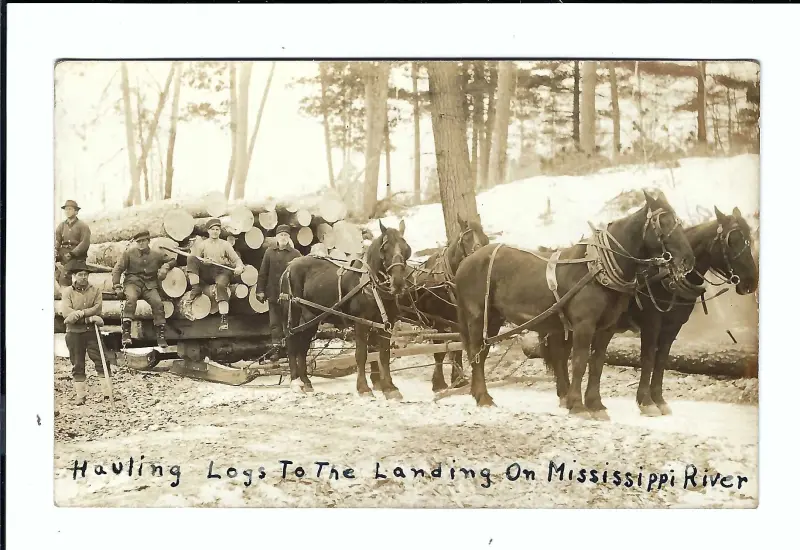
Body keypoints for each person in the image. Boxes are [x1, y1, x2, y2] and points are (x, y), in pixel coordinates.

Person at [111, 230, 177, 347]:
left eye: (143, 241)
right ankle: (126, 334)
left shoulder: (156, 254)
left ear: (148, 241)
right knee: (131, 299)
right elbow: (118, 269)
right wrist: (116, 286)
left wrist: (165, 267)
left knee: (158, 303)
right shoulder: (128, 253)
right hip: (133, 283)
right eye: (139, 242)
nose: (141, 244)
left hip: (149, 285)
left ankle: (160, 336)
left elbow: (172, 260)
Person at [61, 260, 113, 405]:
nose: (83, 277)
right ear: (74, 276)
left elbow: (98, 308)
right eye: (80, 274)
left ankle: (107, 393)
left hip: (92, 331)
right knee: (77, 363)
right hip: (74, 333)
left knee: (102, 360)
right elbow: (66, 313)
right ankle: (81, 395)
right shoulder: (67, 292)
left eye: (85, 274)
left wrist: (79, 314)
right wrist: (89, 318)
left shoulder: (95, 290)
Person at [187, 218, 245, 331]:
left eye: (217, 229)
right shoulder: (202, 245)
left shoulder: (225, 244)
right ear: (208, 231)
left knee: (221, 286)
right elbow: (196, 260)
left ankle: (224, 318)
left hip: (221, 271)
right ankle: (196, 287)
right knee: (191, 258)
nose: (215, 231)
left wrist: (239, 267)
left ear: (220, 231)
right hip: (208, 270)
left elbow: (237, 260)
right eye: (212, 229)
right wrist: (204, 261)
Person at [256, 225, 301, 361]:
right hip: (273, 294)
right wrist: (260, 290)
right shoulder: (269, 252)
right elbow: (263, 273)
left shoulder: (295, 254)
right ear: (276, 237)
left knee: (289, 323)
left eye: (286, 236)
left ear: (289, 238)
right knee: (274, 324)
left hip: (289, 296)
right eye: (281, 235)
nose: (283, 238)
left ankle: (290, 351)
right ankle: (276, 350)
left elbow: (301, 275)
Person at [55, 200, 91, 287]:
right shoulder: (61, 226)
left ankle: (66, 293)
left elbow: (84, 243)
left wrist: (72, 253)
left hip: (77, 257)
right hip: (63, 254)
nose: (67, 211)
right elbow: (57, 240)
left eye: (70, 209)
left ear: (76, 211)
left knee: (66, 272)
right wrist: (55, 250)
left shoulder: (83, 226)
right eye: (66, 209)